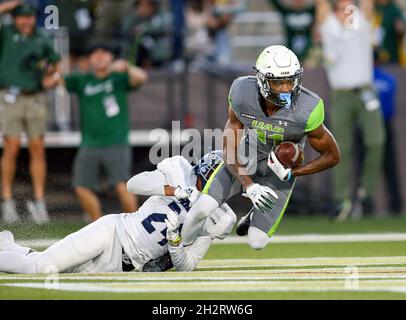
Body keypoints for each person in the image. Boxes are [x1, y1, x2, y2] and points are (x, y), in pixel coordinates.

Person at [180, 45, 340, 251]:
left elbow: (332, 156)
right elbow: (229, 148)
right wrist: (249, 185)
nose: (285, 88)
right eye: (278, 82)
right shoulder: (241, 93)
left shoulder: (307, 108)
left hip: (280, 170)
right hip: (249, 154)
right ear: (262, 80)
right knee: (202, 209)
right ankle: (178, 248)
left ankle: (253, 217)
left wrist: (292, 173)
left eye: (290, 80)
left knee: (257, 242)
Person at [0, 152, 236, 274]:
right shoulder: (180, 172)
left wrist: (175, 243)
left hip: (122, 264)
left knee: (52, 265)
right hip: (113, 232)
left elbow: (189, 264)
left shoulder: (220, 217)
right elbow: (134, 184)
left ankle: (10, 246)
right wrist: (175, 191)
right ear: (207, 173)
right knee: (41, 268)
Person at [43, 43, 147, 221]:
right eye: (95, 53)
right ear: (90, 59)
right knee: (81, 186)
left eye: (104, 52)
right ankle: (99, 226)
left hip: (117, 142)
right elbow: (52, 82)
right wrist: (53, 67)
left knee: (122, 186)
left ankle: (137, 227)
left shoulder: (119, 78)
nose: (99, 56)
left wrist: (127, 66)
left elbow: (141, 78)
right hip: (89, 144)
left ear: (111, 58)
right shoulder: (82, 80)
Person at [318, 0, 385, 220]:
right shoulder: (329, 26)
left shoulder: (362, 24)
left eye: (352, 8)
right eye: (344, 9)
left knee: (376, 140)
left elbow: (367, 5)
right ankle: (341, 200)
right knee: (340, 148)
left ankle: (364, 193)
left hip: (366, 91)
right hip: (341, 95)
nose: (349, 13)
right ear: (335, 11)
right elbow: (321, 6)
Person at [0, 1, 61, 224]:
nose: (26, 21)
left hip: (35, 96)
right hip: (10, 96)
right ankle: (7, 201)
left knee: (37, 148)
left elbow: (56, 66)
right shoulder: (5, 33)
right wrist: (12, 3)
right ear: (14, 18)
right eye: (22, 16)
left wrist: (52, 78)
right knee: (11, 147)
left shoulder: (41, 37)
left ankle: (39, 201)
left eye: (30, 16)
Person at [120, 0, 172, 68]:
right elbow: (126, 27)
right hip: (137, 53)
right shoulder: (133, 16)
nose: (145, 8)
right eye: (141, 5)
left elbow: (163, 26)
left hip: (156, 54)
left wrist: (144, 29)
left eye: (148, 5)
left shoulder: (160, 15)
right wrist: (137, 15)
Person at [373, 0, 405, 65]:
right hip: (374, 57)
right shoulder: (374, 7)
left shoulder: (394, 10)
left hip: (391, 57)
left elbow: (401, 29)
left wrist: (400, 28)